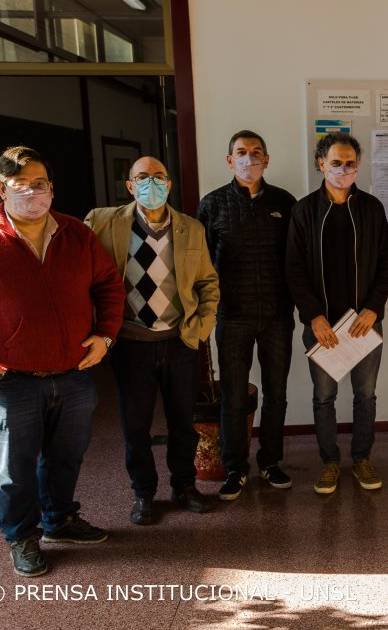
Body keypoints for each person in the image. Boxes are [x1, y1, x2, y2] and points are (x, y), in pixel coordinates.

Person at [0, 146, 125, 577]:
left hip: (73, 374)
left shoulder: (76, 234)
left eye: (39, 183)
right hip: (8, 380)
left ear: (52, 187)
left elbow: (109, 286)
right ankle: (21, 537)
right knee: (13, 469)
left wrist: (105, 336)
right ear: (1, 189)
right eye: (20, 184)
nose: (32, 192)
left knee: (67, 456)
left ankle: (59, 520)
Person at [85, 156, 219, 525]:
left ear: (170, 184)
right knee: (135, 425)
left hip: (179, 341)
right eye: (142, 177)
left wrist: (200, 329)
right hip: (131, 343)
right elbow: (59, 235)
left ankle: (184, 486)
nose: (151, 183)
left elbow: (208, 282)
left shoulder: (191, 228)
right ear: (130, 186)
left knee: (182, 423)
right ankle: (143, 492)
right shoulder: (102, 221)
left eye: (159, 176)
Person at [286, 132, 388, 494]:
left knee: (366, 395)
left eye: (350, 163)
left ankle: (362, 458)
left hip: (364, 322)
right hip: (322, 325)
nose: (344, 169)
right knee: (324, 397)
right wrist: (313, 316)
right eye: (336, 162)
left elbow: (386, 262)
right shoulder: (304, 210)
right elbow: (294, 270)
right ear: (322, 164)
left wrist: (373, 308)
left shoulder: (371, 208)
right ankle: (330, 462)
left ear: (358, 165)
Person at [197, 130, 298, 500]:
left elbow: (296, 259)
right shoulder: (212, 205)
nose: (249, 158)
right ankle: (235, 468)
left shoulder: (285, 202)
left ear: (267, 160)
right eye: (241, 152)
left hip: (277, 315)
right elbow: (201, 265)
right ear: (229, 161)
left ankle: (270, 462)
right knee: (234, 397)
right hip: (232, 316)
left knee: (276, 393)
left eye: (256, 152)